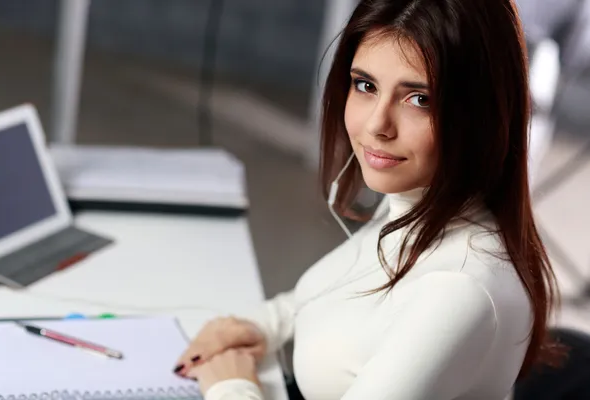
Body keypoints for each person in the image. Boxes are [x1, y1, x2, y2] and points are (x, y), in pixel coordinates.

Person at [174, 0, 562, 398]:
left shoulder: (460, 290)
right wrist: (264, 324)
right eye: (366, 85)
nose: (377, 125)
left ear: (484, 112)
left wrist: (230, 385)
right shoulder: (418, 200)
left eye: (419, 99)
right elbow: (342, 297)